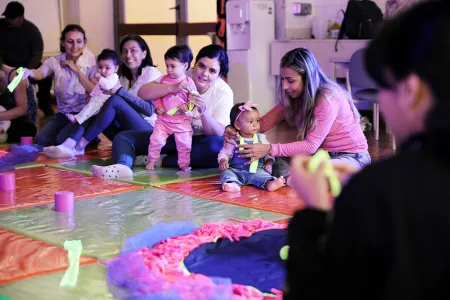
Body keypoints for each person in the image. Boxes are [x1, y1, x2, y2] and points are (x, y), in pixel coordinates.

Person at [284, 1, 450, 299]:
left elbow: (318, 289)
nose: (382, 102)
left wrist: (314, 211)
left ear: (411, 91)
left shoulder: (380, 191)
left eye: (383, 87)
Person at [91, 44, 233, 179]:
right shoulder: (180, 75)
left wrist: (204, 111)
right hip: (167, 135)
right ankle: (123, 167)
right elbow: (143, 92)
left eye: (212, 71)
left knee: (216, 145)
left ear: (219, 74)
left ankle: (163, 160)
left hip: (195, 141)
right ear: (193, 64)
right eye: (201, 66)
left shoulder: (223, 92)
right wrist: (172, 88)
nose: (204, 73)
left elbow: (219, 133)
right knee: (123, 137)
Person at [224, 47, 370, 177]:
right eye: (282, 79)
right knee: (273, 165)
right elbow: (261, 124)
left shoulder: (328, 100)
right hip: (322, 156)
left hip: (353, 158)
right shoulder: (292, 98)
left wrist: (269, 148)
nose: (284, 86)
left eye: (290, 80)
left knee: (318, 174)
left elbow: (310, 145)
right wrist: (233, 129)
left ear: (307, 79)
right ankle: (296, 178)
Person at [38, 35, 160, 158]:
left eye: (133, 50)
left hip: (148, 132)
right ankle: (70, 144)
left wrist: (120, 91)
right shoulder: (120, 77)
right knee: (97, 105)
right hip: (125, 133)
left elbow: (149, 110)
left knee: (114, 100)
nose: (128, 55)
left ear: (144, 54)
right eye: (124, 51)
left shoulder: (151, 73)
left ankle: (79, 145)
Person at [21, 24, 97, 147]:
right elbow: (41, 72)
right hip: (64, 114)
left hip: (84, 114)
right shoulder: (55, 61)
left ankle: (89, 136)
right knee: (41, 140)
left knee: (60, 140)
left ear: (84, 42)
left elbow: (94, 90)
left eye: (79, 42)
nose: (74, 46)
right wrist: (29, 72)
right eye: (70, 42)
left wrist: (76, 70)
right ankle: (80, 136)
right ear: (62, 42)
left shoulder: (93, 62)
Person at [44, 49, 120, 158]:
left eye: (107, 68)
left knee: (88, 113)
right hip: (99, 103)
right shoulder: (104, 76)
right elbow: (97, 90)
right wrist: (91, 95)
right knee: (88, 112)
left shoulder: (113, 78)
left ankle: (73, 139)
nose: (103, 71)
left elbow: (107, 86)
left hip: (106, 108)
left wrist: (98, 78)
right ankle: (73, 146)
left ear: (116, 68)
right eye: (100, 67)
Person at [145, 45, 197, 172]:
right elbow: (157, 96)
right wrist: (158, 107)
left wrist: (188, 107)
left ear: (185, 66)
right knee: (155, 139)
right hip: (164, 121)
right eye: (167, 65)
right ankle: (152, 160)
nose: (168, 69)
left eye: (172, 66)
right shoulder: (163, 80)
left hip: (182, 123)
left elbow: (194, 100)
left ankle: (184, 164)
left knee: (184, 145)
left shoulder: (189, 83)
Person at [0, 1, 54, 116]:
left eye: (12, 18)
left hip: (26, 66)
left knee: (47, 76)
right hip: (5, 66)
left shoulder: (32, 31)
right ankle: (6, 106)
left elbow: (37, 54)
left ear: (21, 18)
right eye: (7, 17)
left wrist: (27, 72)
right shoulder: (1, 26)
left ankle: (44, 104)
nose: (8, 20)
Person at [218, 101, 285, 192]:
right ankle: (232, 184)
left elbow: (269, 153)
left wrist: (269, 162)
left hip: (256, 171)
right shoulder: (233, 139)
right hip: (236, 171)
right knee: (226, 173)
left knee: (264, 176)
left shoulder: (261, 138)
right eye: (250, 121)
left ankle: (270, 184)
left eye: (257, 120)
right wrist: (223, 160)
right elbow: (224, 153)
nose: (255, 124)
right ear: (237, 125)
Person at [0, 57, 37, 142]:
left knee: (27, 129)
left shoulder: (15, 75)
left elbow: (22, 109)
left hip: (21, 119)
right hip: (3, 117)